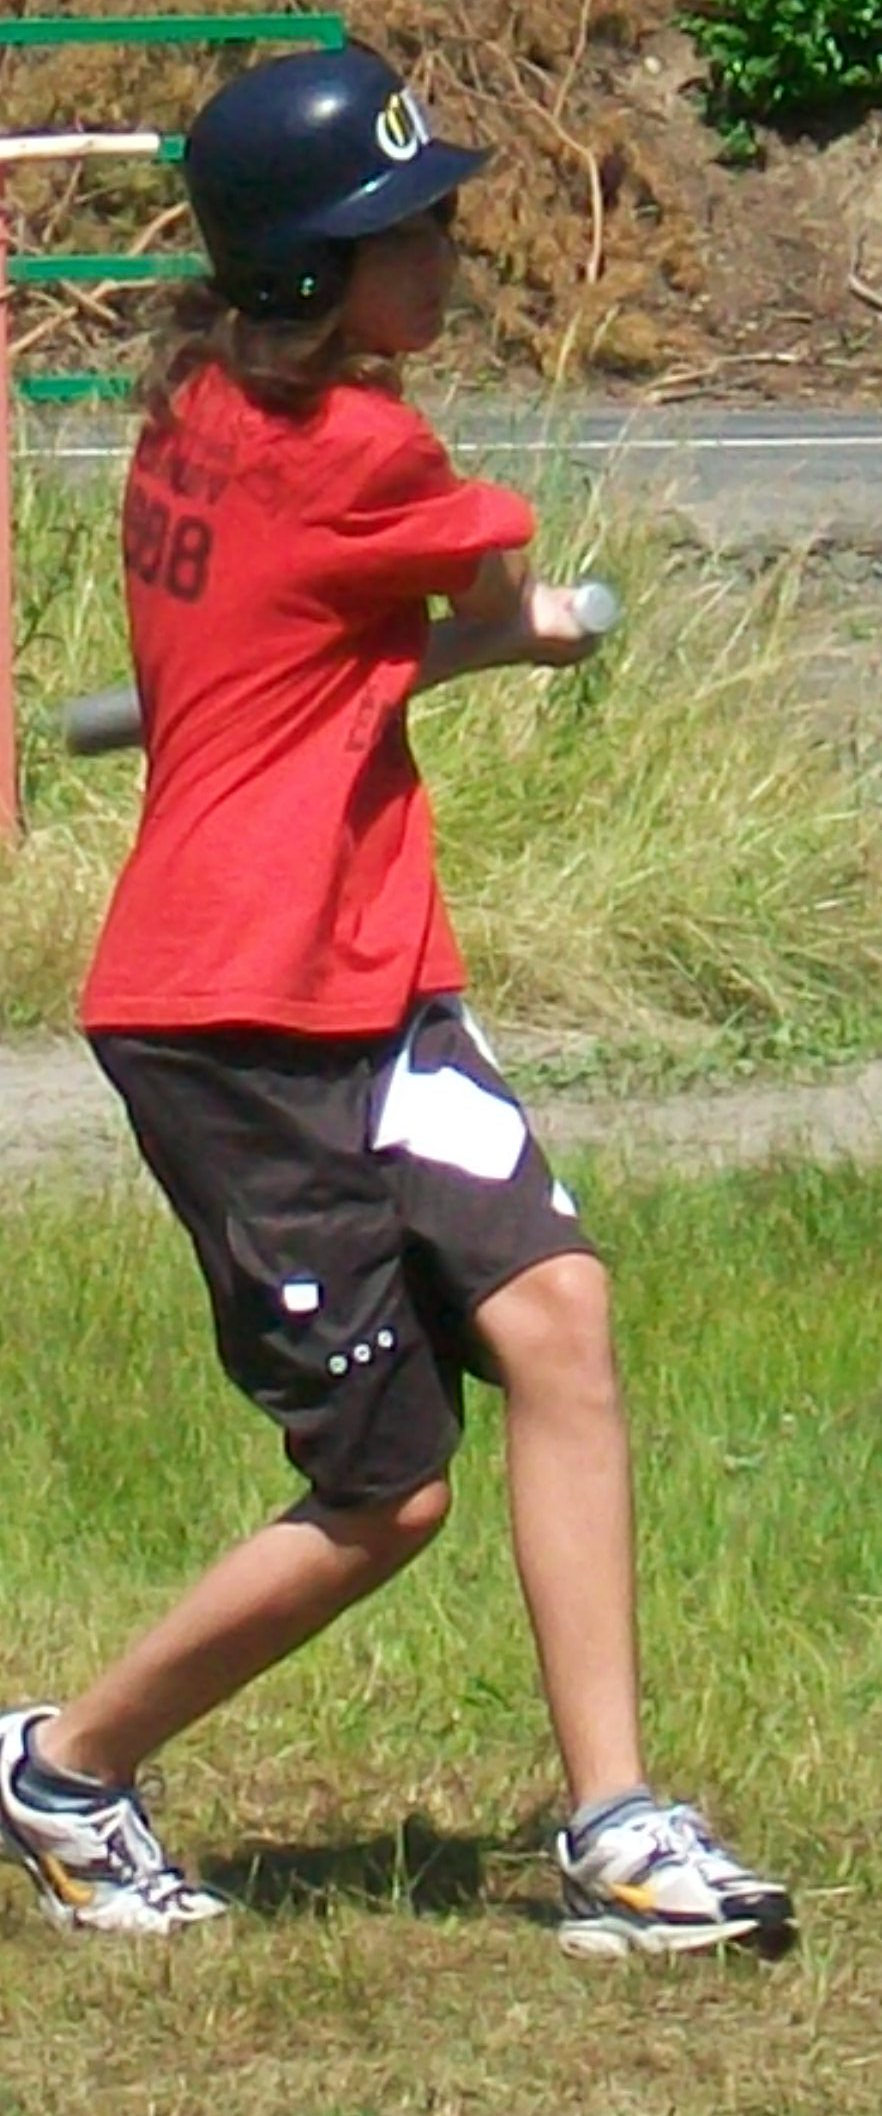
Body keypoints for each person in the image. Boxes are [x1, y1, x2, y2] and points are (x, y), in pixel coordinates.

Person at [0, 41, 795, 1958]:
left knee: (560, 1319)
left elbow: (322, 641)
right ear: (306, 271)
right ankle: (65, 1772)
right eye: (404, 230)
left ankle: (614, 1828)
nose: (442, 250)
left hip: (377, 979)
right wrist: (511, 633)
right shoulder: (362, 451)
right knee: (386, 1497)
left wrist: (405, 656)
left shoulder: (202, 401)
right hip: (231, 1028)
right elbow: (493, 558)